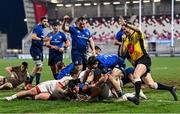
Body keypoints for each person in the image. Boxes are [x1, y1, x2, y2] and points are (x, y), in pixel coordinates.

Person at [119, 16, 178, 105]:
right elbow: (122, 54)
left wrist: (126, 24)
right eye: (123, 30)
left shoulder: (136, 34)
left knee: (136, 75)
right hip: (137, 62)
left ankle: (137, 97)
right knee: (151, 85)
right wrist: (123, 41)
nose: (124, 31)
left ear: (129, 27)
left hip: (144, 59)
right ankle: (171, 88)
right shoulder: (126, 39)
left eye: (125, 29)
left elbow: (138, 30)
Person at [5, 68, 80, 101]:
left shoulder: (76, 81)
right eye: (78, 73)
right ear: (75, 74)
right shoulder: (67, 79)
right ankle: (12, 97)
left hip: (53, 93)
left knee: (37, 97)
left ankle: (25, 98)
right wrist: (64, 92)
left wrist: (77, 97)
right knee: (31, 92)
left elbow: (76, 90)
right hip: (48, 86)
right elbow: (57, 87)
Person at [28, 16, 49, 87]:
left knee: (40, 67)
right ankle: (29, 83)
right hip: (35, 49)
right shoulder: (38, 27)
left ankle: (36, 83)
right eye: (44, 21)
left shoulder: (42, 28)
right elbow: (33, 37)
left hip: (40, 50)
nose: (46, 23)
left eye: (46, 21)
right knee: (39, 66)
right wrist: (42, 40)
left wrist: (44, 43)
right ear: (41, 21)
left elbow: (49, 31)